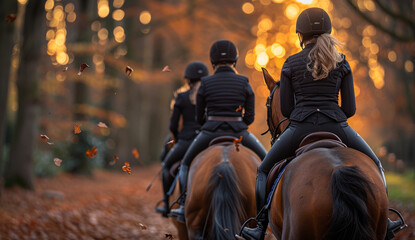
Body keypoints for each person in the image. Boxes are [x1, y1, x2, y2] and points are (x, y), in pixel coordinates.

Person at [241, 7, 399, 240]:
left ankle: (259, 225)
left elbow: (286, 110)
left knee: (264, 169)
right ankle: (384, 222)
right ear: (328, 32)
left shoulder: (290, 63)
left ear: (300, 34)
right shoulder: (341, 62)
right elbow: (350, 109)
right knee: (375, 164)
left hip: (299, 128)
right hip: (337, 126)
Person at [170, 40, 267, 223]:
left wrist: (210, 124)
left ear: (212, 61)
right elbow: (250, 116)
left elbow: (200, 117)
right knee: (264, 164)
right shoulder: (244, 81)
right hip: (239, 133)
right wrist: (240, 123)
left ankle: (183, 204)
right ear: (235, 60)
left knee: (185, 164)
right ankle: (264, 210)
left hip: (210, 132)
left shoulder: (205, 83)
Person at [155, 61, 209, 217]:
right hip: (205, 141)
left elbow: (173, 126)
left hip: (185, 143)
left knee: (166, 166)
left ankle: (166, 204)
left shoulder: (181, 97)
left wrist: (177, 138)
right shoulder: (208, 97)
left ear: (188, 80)